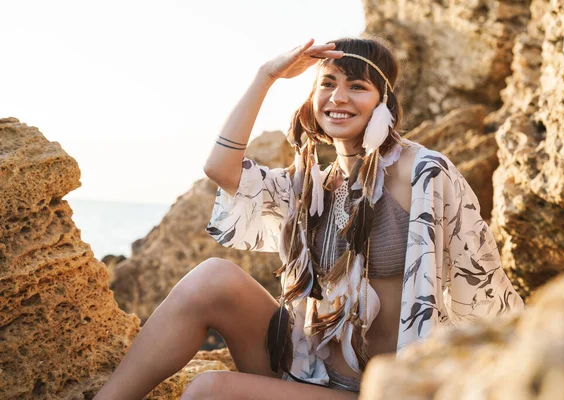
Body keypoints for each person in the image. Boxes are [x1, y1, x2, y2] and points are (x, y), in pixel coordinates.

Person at [95, 37, 524, 400]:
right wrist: (266, 76)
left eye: (357, 86)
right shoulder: (312, 186)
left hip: (375, 391)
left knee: (209, 390)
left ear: (384, 102)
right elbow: (220, 169)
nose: (338, 98)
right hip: (307, 370)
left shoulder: (422, 173)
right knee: (212, 277)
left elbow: (481, 283)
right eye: (328, 84)